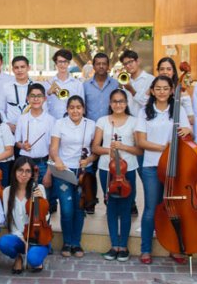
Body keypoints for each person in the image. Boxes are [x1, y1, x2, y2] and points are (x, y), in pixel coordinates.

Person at [134, 76, 192, 264]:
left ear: (171, 90)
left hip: (174, 166)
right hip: (151, 165)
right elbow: (140, 141)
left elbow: (187, 132)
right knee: (151, 207)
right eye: (157, 88)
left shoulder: (178, 109)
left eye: (165, 88)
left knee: (171, 208)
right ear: (152, 90)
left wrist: (186, 132)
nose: (161, 92)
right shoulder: (144, 111)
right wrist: (163, 148)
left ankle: (174, 247)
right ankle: (145, 249)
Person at [92, 89, 142, 261]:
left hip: (128, 169)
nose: (118, 104)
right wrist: (109, 150)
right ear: (110, 103)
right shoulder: (102, 121)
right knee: (111, 207)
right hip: (107, 169)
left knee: (126, 208)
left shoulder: (134, 122)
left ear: (126, 103)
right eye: (114, 101)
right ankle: (114, 245)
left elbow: (138, 149)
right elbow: (95, 147)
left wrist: (123, 147)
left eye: (121, 101)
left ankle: (124, 246)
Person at [47, 95, 95, 258]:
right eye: (72, 107)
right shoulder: (59, 124)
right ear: (67, 109)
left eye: (78, 107)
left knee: (79, 208)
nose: (75, 110)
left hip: (84, 172)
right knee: (66, 209)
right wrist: (58, 160)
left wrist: (88, 159)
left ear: (83, 109)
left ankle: (76, 243)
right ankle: (67, 242)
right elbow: (53, 148)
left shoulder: (91, 125)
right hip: (64, 171)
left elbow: (95, 150)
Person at [0, 156, 49, 273]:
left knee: (34, 260)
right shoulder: (7, 192)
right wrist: (22, 238)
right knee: (4, 242)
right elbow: (9, 221)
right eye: (20, 170)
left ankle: (35, 254)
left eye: (27, 171)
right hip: (18, 237)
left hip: (38, 237)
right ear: (15, 171)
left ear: (32, 174)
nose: (23, 174)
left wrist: (41, 201)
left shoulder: (39, 188)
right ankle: (18, 258)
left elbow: (46, 218)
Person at [16, 83, 57, 212]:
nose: (36, 99)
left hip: (43, 164)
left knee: (44, 202)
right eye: (32, 96)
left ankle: (44, 229)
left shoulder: (51, 120)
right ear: (27, 98)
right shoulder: (22, 119)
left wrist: (49, 173)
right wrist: (23, 145)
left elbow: (53, 149)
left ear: (44, 99)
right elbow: (17, 142)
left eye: (39, 96)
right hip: (25, 164)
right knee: (25, 200)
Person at [0, 56, 39, 130]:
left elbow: (43, 108)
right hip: (11, 130)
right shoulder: (6, 87)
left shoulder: (37, 86)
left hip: (33, 128)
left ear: (28, 68)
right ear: (13, 69)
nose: (19, 70)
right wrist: (7, 123)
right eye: (16, 67)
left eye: (22, 67)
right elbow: (0, 108)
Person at [44, 49, 84, 120]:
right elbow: (42, 105)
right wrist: (48, 92)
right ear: (56, 63)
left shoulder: (77, 84)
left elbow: (82, 105)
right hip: (53, 123)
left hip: (71, 122)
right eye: (60, 62)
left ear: (69, 63)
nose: (62, 64)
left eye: (65, 61)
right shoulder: (47, 83)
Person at [83, 53, 121, 124]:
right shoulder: (85, 85)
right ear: (93, 66)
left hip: (110, 126)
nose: (101, 66)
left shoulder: (115, 84)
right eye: (98, 64)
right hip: (91, 127)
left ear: (108, 66)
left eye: (104, 64)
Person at [118, 50, 156, 118]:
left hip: (144, 121)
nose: (128, 66)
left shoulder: (151, 80)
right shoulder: (126, 81)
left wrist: (131, 90)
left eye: (130, 62)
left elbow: (147, 103)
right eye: (125, 64)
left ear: (138, 61)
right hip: (128, 121)